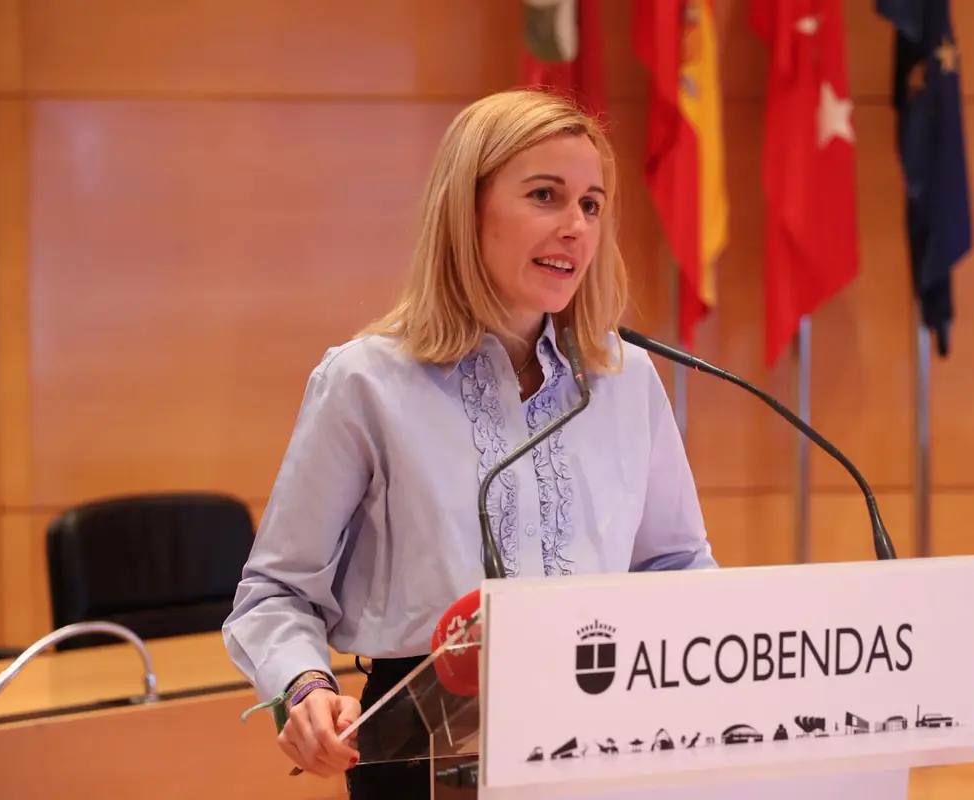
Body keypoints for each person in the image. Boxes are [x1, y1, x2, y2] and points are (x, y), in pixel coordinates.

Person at [222, 88, 718, 798]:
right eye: (545, 195)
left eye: (591, 204)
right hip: (423, 751)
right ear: (468, 208)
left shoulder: (625, 378)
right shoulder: (366, 381)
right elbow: (276, 592)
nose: (576, 227)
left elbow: (675, 563)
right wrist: (303, 687)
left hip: (602, 734)